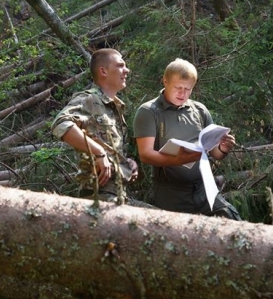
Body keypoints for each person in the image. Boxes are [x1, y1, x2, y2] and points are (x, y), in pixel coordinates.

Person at [133, 58, 241, 219]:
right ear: (165, 81)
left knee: (232, 221)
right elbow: (145, 154)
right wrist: (178, 160)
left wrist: (223, 149)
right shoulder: (149, 112)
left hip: (203, 188)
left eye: (188, 89)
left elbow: (214, 153)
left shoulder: (199, 110)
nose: (182, 93)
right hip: (170, 192)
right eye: (178, 88)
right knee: (177, 236)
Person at [51, 49, 139, 204]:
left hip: (117, 195)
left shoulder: (115, 106)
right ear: (103, 71)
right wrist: (99, 153)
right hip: (97, 195)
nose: (127, 70)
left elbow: (109, 147)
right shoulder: (89, 99)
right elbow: (61, 123)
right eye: (120, 66)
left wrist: (127, 163)